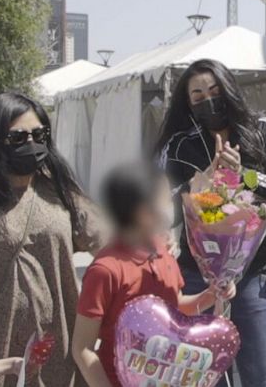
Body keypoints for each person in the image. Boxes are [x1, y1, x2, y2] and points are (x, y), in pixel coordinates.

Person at [155, 59, 266, 387]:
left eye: (214, 90)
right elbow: (160, 207)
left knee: (265, 378)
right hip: (196, 279)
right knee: (200, 379)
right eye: (197, 95)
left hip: (255, 278)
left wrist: (245, 177)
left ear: (229, 88)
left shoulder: (263, 129)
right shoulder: (180, 144)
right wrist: (200, 184)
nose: (208, 99)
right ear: (188, 103)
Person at [0, 92, 104, 387]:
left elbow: (108, 242)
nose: (31, 144)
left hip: (57, 358)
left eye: (39, 134)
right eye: (17, 137)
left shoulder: (60, 193)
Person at [72, 163, 236, 387]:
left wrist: (211, 294)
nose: (171, 205)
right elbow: (82, 347)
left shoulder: (162, 251)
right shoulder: (105, 270)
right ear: (142, 211)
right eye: (165, 199)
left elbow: (176, 307)